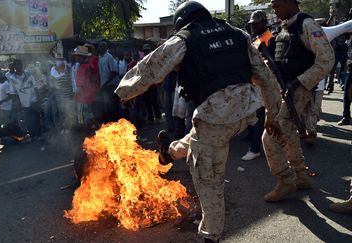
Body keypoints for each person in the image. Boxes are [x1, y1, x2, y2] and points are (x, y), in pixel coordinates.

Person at [115, 2, 282, 242]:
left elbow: (151, 68)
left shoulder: (185, 38)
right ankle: (170, 153)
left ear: (182, 21)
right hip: (246, 113)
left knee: (208, 180)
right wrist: (273, 116)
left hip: (216, 116)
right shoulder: (238, 34)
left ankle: (210, 236)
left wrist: (123, 93)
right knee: (199, 136)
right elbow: (265, 76)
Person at [262, 0, 334, 202]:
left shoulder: (307, 24)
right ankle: (300, 175)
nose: (275, 10)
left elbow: (327, 59)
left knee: (271, 135)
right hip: (284, 89)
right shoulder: (285, 27)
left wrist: (300, 83)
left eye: (277, 6)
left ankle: (286, 181)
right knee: (289, 134)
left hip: (298, 89)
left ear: (290, 3)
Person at [242, 10, 274, 161]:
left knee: (260, 117)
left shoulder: (269, 38)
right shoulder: (256, 37)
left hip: (264, 85)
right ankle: (251, 137)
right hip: (254, 83)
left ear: (264, 23)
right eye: (251, 24)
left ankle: (255, 149)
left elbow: (272, 64)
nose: (252, 26)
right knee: (252, 115)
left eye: (255, 24)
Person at [6, 59, 42, 140]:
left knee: (36, 119)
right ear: (14, 66)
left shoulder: (29, 75)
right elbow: (13, 93)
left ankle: (39, 136)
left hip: (34, 101)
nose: (19, 66)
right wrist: (17, 103)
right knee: (29, 121)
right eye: (17, 65)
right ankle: (32, 136)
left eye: (20, 64)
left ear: (22, 65)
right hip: (24, 103)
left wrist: (39, 101)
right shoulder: (12, 78)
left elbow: (36, 88)